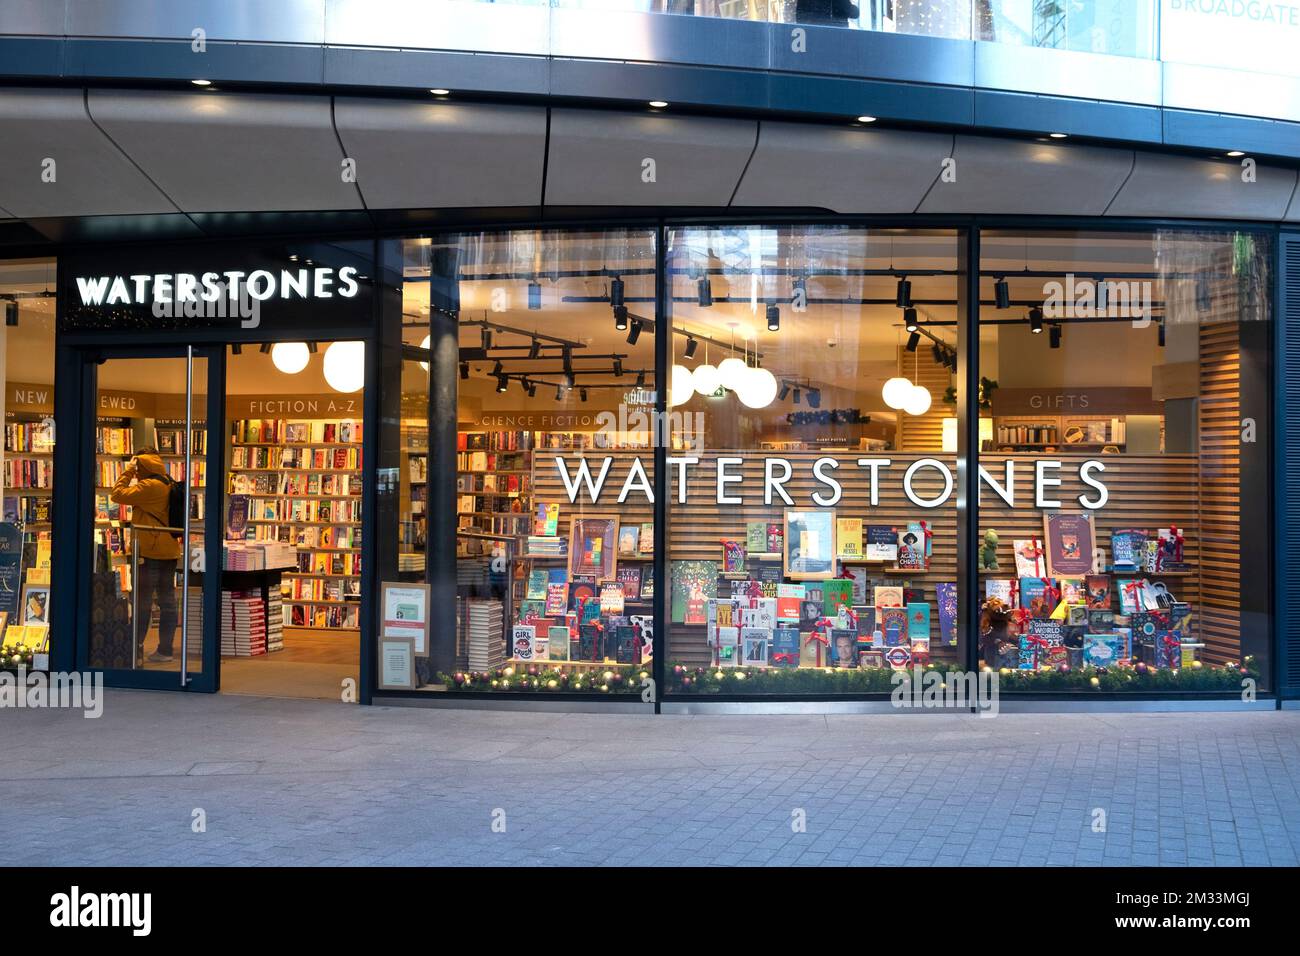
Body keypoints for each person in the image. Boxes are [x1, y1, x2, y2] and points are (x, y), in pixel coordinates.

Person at [109, 448, 181, 663]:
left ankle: (135, 649)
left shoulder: (150, 486)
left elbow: (116, 494)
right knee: (167, 601)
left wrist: (128, 471)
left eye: (137, 466)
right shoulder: (168, 481)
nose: (136, 471)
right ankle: (165, 650)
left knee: (142, 601)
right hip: (168, 549)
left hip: (149, 551)